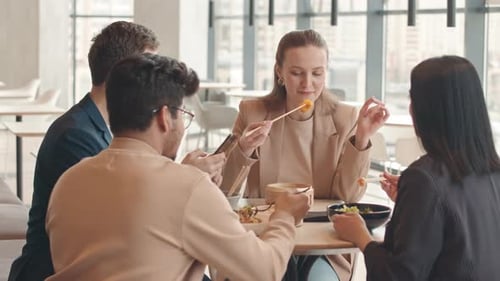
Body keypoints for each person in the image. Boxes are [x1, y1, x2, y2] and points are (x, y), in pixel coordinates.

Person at [44, 53, 310, 281]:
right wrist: (285, 216)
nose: (183, 125)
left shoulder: (68, 180)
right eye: (183, 114)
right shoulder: (188, 188)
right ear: (163, 117)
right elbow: (265, 270)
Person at [8, 21, 224, 281]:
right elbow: (118, 214)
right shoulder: (75, 136)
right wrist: (185, 177)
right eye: (147, 69)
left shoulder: (105, 126)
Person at [220, 29, 389, 280]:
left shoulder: (345, 117)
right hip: (262, 238)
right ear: (279, 72)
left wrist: (362, 138)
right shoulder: (252, 112)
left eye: (317, 73)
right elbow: (223, 190)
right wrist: (243, 149)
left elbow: (347, 197)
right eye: (297, 73)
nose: (307, 84)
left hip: (323, 243)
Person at [333, 55, 500, 280]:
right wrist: (410, 204)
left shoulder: (424, 179)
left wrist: (361, 236)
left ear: (428, 110)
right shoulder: (491, 171)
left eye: (413, 100)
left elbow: (398, 276)